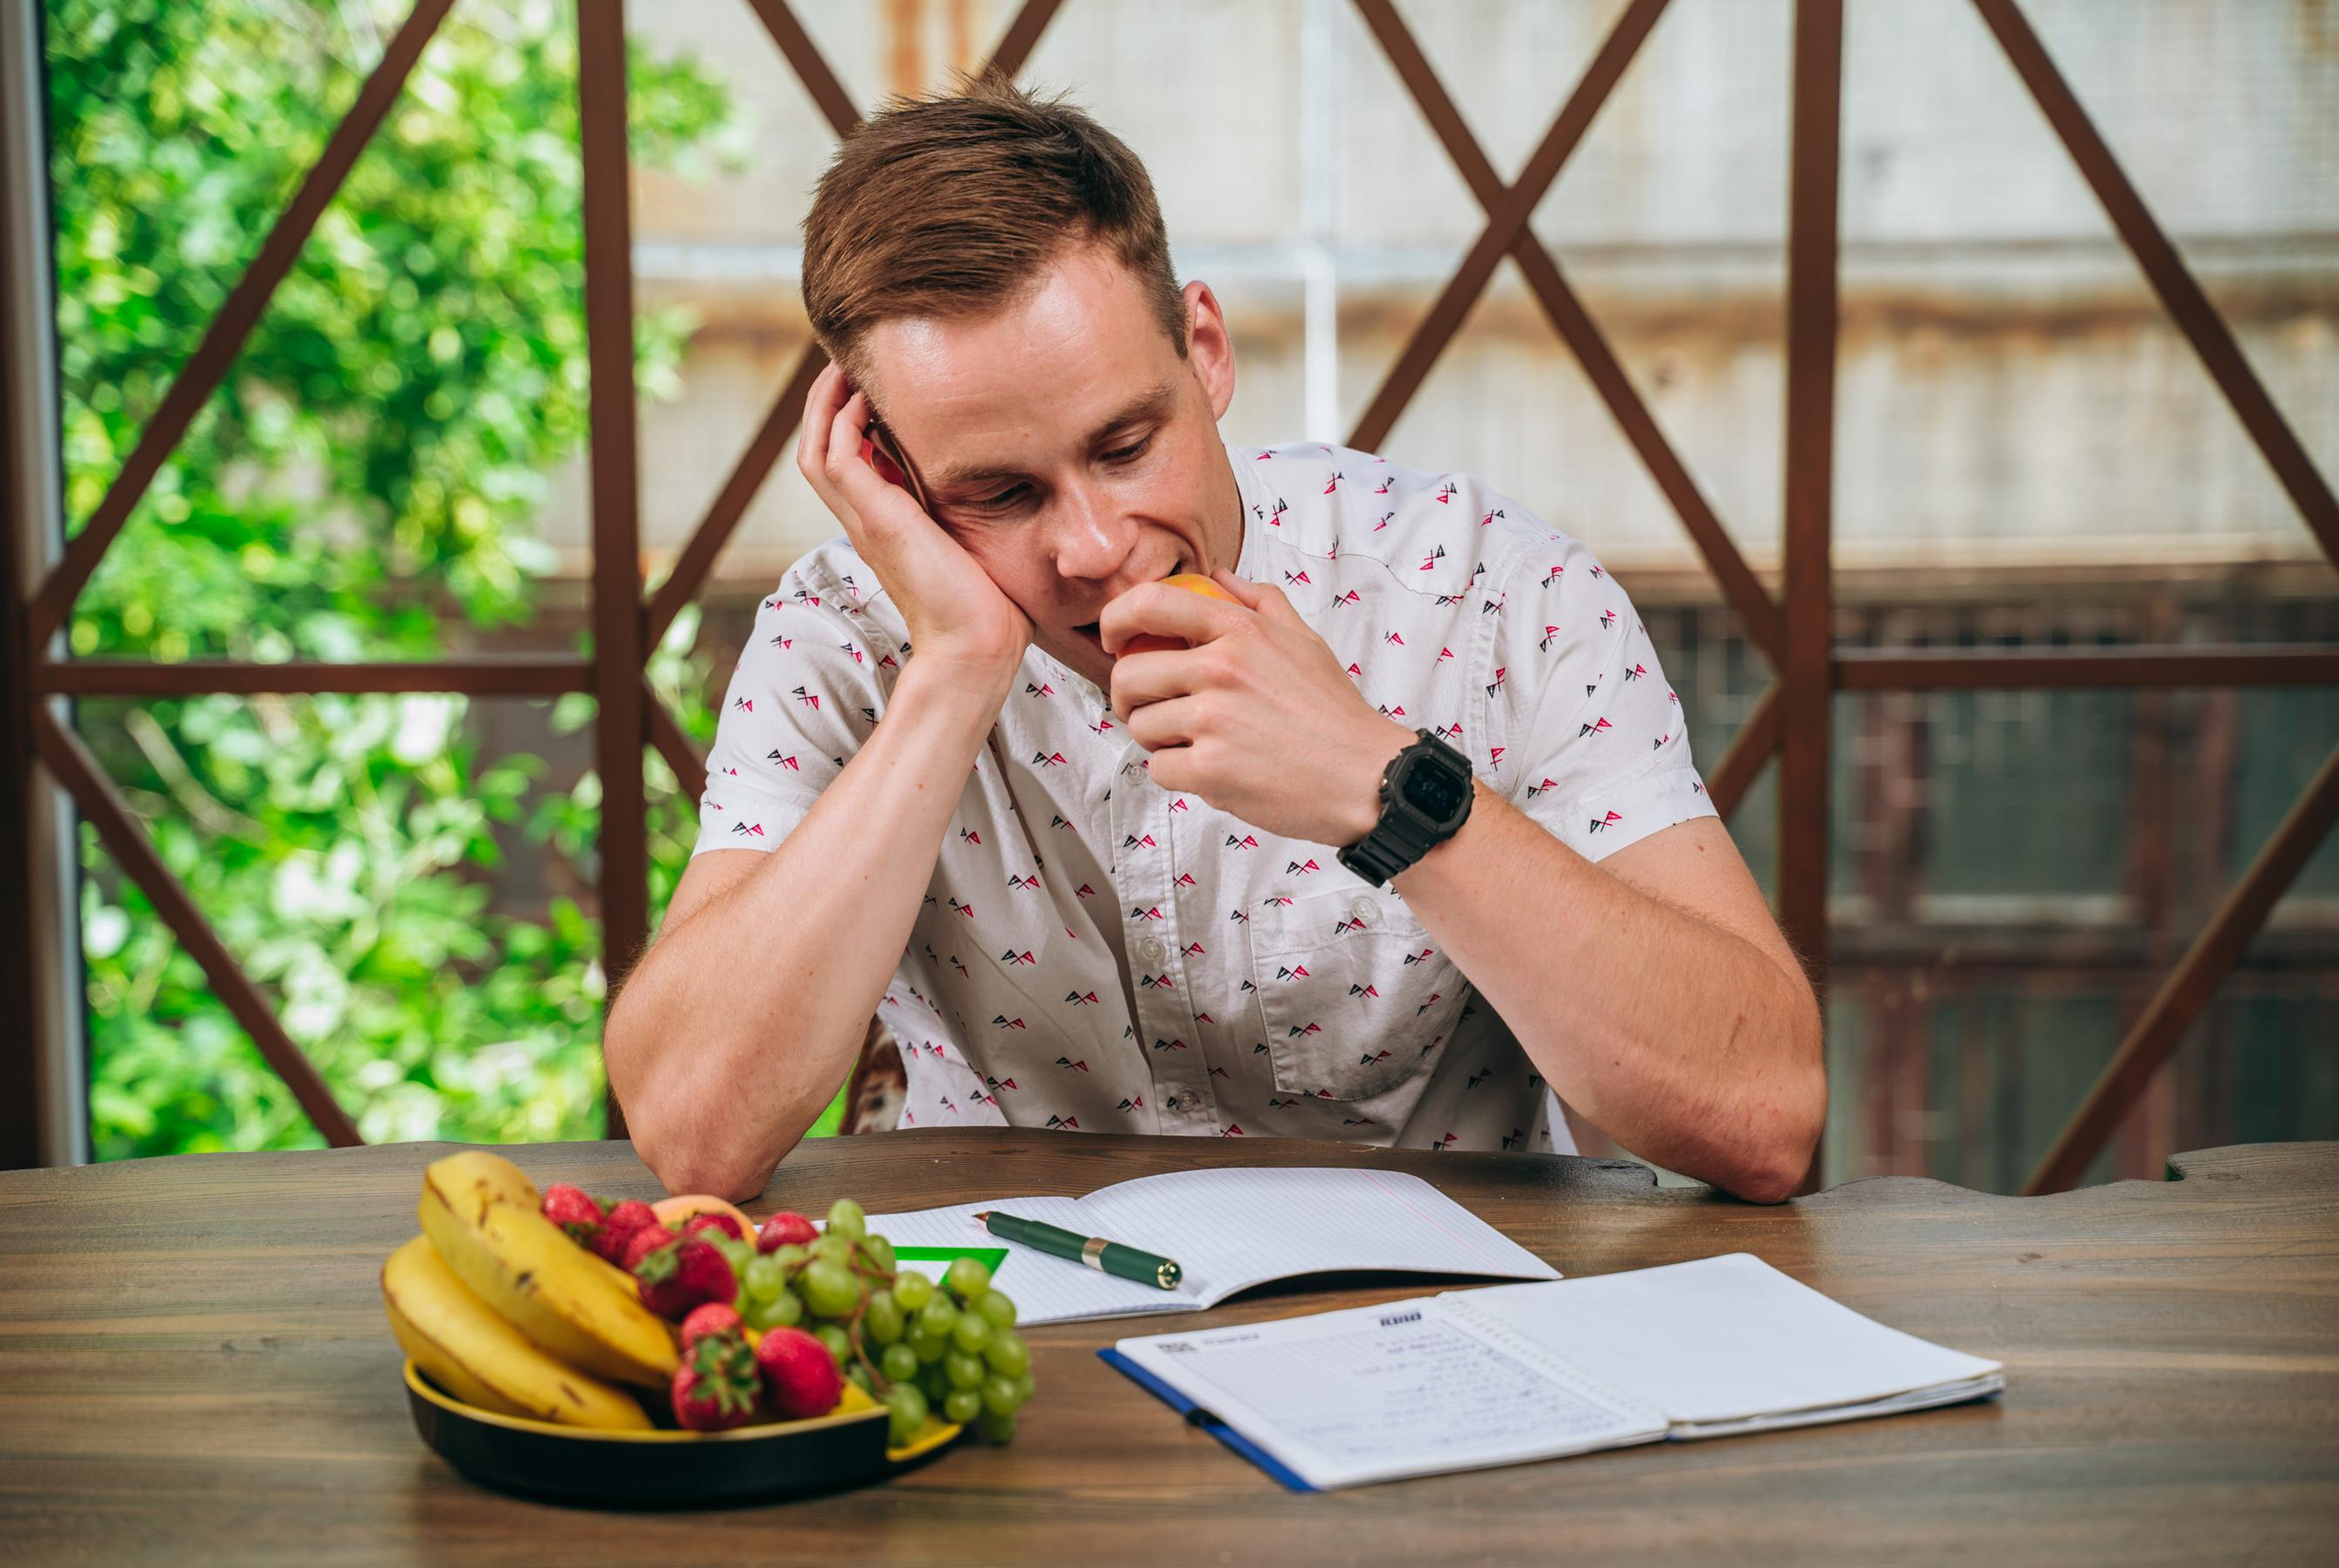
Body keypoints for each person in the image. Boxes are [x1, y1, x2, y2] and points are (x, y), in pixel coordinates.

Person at [606, 72, 1824, 1203]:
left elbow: (1764, 1115)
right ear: (886, 471)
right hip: (1020, 1339)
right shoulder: (842, 637)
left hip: (1443, 1337)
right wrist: (954, 672)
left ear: (1205, 349)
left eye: (1127, 446)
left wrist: (1383, 787)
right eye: (999, 493)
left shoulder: (1494, 591)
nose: (1091, 546)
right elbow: (697, 1130)